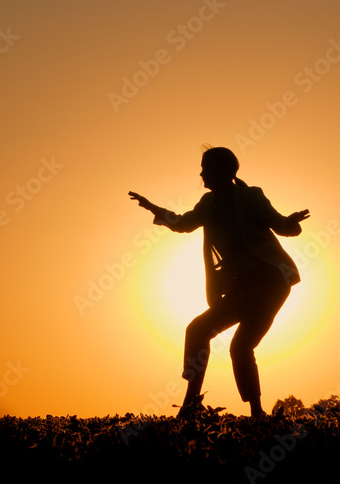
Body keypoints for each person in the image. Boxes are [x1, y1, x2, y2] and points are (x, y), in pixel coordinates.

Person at [128, 146, 309, 417]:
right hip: (240, 286)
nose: (201, 173)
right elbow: (182, 223)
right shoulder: (208, 204)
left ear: (226, 171)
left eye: (207, 167)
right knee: (198, 330)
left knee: (241, 346)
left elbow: (279, 223)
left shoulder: (250, 196)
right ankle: (191, 403)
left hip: (270, 281)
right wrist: (152, 207)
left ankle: (257, 412)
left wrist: (292, 223)